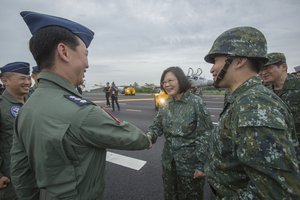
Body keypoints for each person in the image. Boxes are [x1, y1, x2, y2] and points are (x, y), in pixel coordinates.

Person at [10, 11, 151, 199]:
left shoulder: (26, 108)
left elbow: (20, 173)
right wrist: (151, 136)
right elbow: (137, 139)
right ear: (64, 52)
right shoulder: (82, 112)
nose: (87, 63)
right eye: (85, 54)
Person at [204, 26, 300, 199]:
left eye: (215, 61)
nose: (212, 69)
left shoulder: (254, 105)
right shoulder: (243, 99)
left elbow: (276, 193)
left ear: (239, 61)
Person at [146, 66, 213, 200]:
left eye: (170, 80)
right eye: (164, 82)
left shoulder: (196, 103)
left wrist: (201, 165)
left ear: (181, 80)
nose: (167, 84)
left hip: (190, 167)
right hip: (169, 163)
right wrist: (148, 137)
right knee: (170, 196)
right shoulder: (166, 104)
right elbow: (156, 126)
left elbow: (205, 135)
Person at [0, 61, 31, 200]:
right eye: (22, 78)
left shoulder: (34, 100)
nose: (28, 82)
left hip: (39, 170)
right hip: (12, 174)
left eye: (28, 77)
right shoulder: (1, 106)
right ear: (5, 80)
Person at [260, 52, 300, 149]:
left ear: (283, 67)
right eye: (260, 69)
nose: (263, 72)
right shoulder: (262, 90)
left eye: (268, 68)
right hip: (275, 149)